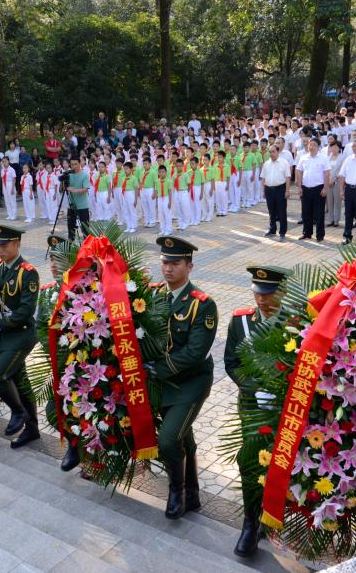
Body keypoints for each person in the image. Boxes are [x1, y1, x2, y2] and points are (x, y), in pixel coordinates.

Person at [147, 236, 217, 520]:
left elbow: (195, 352)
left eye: (175, 263)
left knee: (167, 439)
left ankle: (176, 491)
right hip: (163, 382)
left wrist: (157, 368)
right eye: (164, 262)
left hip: (190, 382)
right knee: (180, 435)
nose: (168, 269)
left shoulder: (202, 305)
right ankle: (192, 494)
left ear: (190, 266)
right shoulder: (152, 295)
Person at [224, 266, 287, 557]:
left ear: (283, 293)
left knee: (283, 462)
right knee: (250, 459)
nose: (262, 300)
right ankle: (250, 523)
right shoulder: (241, 321)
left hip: (286, 407)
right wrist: (252, 390)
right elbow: (231, 362)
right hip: (252, 406)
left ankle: (276, 516)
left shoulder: (296, 324)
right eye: (258, 293)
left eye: (270, 293)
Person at [0, 224, 40, 448]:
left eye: (5, 245)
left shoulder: (28, 272)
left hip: (21, 334)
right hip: (4, 334)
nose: (0, 250)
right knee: (19, 380)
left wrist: (1, 323)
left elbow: (25, 311)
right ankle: (33, 429)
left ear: (17, 244)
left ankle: (19, 413)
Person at [296, 138, 331, 241]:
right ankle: (307, 233)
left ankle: (320, 235)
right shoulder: (304, 157)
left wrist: (325, 188)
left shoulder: (323, 158)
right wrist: (299, 186)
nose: (311, 147)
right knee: (306, 212)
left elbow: (327, 173)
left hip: (318, 189)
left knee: (319, 213)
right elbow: (298, 171)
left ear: (318, 147)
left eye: (314, 145)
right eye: (310, 145)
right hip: (305, 188)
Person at [260, 145, 290, 240]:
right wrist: (264, 191)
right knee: (271, 211)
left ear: (278, 152)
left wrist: (287, 190)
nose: (271, 154)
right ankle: (272, 229)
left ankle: (282, 232)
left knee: (281, 211)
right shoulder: (266, 164)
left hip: (280, 189)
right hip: (269, 189)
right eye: (270, 152)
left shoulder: (284, 163)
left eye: (273, 152)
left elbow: (288, 177)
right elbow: (263, 178)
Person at [65, 157, 90, 240]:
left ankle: (87, 247)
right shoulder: (69, 174)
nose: (74, 166)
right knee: (71, 228)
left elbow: (85, 189)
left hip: (82, 206)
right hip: (71, 205)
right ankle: (70, 245)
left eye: (76, 164)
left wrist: (74, 190)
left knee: (85, 228)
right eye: (72, 164)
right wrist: (63, 183)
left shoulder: (85, 175)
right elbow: (62, 189)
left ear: (80, 164)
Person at [325, 142, 344, 227]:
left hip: (337, 182)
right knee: (329, 201)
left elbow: (342, 171)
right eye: (331, 147)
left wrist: (334, 178)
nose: (333, 149)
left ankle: (336, 220)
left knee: (337, 201)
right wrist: (328, 180)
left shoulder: (342, 158)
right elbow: (326, 170)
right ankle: (330, 220)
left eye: (335, 147)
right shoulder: (328, 157)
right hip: (328, 182)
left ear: (339, 148)